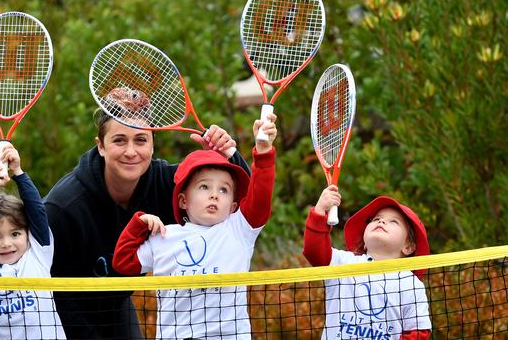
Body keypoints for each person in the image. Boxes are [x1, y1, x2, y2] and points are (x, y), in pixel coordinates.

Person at [44, 89, 251, 339]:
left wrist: (229, 155)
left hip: (119, 304)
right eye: (119, 140)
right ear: (100, 146)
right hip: (63, 311)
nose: (131, 151)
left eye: (141, 140)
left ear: (152, 145)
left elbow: (244, 201)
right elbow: (51, 291)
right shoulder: (62, 206)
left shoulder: (169, 184)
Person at [112, 114, 277, 339]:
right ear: (183, 200)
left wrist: (263, 151)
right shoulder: (164, 236)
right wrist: (138, 224)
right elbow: (123, 264)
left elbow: (260, 199)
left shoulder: (238, 230)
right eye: (204, 187)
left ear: (233, 205)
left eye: (224, 190)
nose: (214, 195)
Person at [0, 145, 66, 339]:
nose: (6, 243)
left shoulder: (38, 255)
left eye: (15, 234)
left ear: (28, 234)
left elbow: (37, 211)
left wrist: (18, 172)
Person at [303, 186, 432, 340]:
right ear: (364, 243)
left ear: (408, 246)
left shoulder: (411, 284)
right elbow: (313, 250)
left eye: (394, 222)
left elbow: (419, 333)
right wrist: (319, 211)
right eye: (376, 219)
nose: (382, 221)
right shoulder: (344, 262)